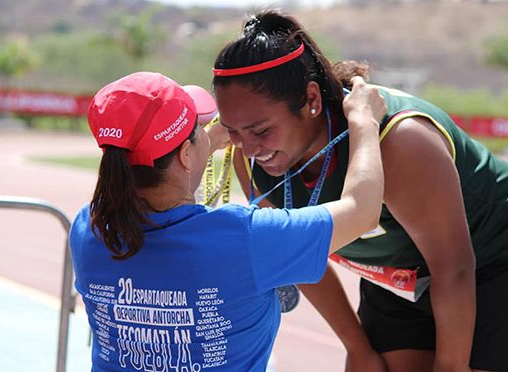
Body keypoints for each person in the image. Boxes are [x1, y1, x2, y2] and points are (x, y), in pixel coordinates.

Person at [211, 9, 508, 372]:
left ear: (311, 100)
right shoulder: (249, 155)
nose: (248, 147)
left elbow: (454, 267)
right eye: (233, 130)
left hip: (497, 256)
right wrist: (357, 348)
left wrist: (450, 367)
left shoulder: (400, 141)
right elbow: (302, 257)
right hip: (398, 272)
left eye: (261, 130)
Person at [69, 71, 386, 371]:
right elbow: (361, 210)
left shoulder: (89, 231)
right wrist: (364, 122)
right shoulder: (245, 238)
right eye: (198, 130)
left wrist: (208, 139)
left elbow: (152, 175)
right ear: (186, 154)